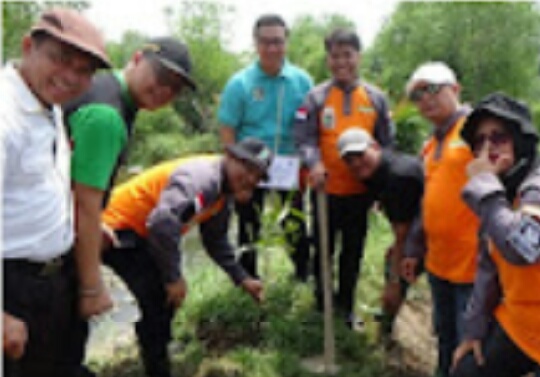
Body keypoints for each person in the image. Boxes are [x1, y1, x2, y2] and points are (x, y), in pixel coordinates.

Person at [62, 35, 197, 375]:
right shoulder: (107, 115)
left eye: (176, 88)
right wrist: (92, 285)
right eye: (162, 77)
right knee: (60, 354)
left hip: (56, 227)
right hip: (49, 245)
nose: (165, 91)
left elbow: (68, 180)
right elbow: (84, 206)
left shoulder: (106, 90)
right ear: (137, 58)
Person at [100, 138, 271, 377]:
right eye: (248, 169)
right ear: (230, 157)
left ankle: (156, 352)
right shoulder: (204, 180)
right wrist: (173, 277)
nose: (251, 179)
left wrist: (242, 278)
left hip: (142, 233)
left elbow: (216, 241)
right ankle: (156, 362)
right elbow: (162, 224)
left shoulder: (223, 194)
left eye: (258, 176)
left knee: (162, 301)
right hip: (115, 228)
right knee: (160, 294)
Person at [1, 8, 110, 377]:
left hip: (51, 282)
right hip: (11, 287)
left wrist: (67, 222)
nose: (71, 78)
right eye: (61, 60)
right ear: (28, 46)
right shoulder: (5, 115)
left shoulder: (48, 103)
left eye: (84, 71)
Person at [294, 28, 394, 328]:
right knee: (323, 251)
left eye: (347, 55)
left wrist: (380, 190)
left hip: (360, 193)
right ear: (328, 60)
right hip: (326, 190)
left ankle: (347, 306)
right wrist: (313, 164)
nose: (341, 62)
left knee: (352, 252)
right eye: (335, 56)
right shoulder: (316, 97)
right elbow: (304, 138)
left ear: (358, 57)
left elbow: (387, 145)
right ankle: (322, 305)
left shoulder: (376, 98)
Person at [449, 93, 540, 377]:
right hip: (521, 323)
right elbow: (488, 266)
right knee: (466, 370)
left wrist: (484, 186)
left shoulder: (534, 186)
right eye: (479, 142)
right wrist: (473, 332)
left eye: (499, 137)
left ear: (520, 139)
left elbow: (524, 248)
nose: (488, 148)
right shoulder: (502, 192)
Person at [218, 14, 313, 280]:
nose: (272, 48)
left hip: (288, 164)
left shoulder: (302, 81)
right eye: (265, 42)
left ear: (287, 42)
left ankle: (303, 275)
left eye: (278, 41)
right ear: (255, 43)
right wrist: (233, 172)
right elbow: (227, 129)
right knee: (249, 224)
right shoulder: (240, 83)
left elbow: (311, 124)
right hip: (250, 166)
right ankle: (248, 282)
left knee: (293, 222)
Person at [401, 62, 479, 377]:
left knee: (471, 346)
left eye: (433, 88)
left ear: (455, 89)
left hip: (476, 269)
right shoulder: (431, 144)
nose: (426, 99)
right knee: (445, 339)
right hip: (440, 265)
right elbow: (429, 202)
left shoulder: (479, 132)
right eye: (417, 94)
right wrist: (413, 248)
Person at [337, 128, 423, 341]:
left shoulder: (397, 176)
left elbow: (402, 231)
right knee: (393, 261)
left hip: (441, 234)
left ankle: (388, 332)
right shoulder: (374, 173)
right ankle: (388, 328)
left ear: (375, 147)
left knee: (398, 274)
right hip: (419, 227)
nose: (356, 163)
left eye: (360, 155)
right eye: (349, 159)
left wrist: (393, 281)